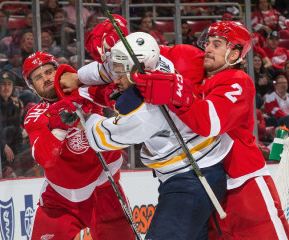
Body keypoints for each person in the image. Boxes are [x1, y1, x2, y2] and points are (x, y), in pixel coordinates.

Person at [60, 30, 228, 239]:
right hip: (203, 173)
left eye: (121, 72)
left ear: (136, 71)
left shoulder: (145, 114)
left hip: (190, 182)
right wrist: (79, 78)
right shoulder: (160, 64)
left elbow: (99, 139)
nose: (115, 78)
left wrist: (85, 112)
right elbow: (108, 70)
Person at [131, 21, 289, 239]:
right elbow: (154, 54)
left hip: (244, 184)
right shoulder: (197, 74)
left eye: (217, 44)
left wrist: (175, 91)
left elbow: (209, 122)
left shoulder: (238, 81)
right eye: (208, 43)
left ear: (234, 55)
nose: (208, 49)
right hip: (207, 186)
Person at [22, 51, 135, 239]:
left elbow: (118, 96)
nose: (46, 78)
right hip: (61, 198)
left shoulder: (83, 89)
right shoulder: (35, 116)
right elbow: (44, 158)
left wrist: (112, 93)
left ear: (59, 72)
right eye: (38, 77)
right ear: (33, 88)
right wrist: (58, 126)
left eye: (49, 72)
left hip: (105, 189)